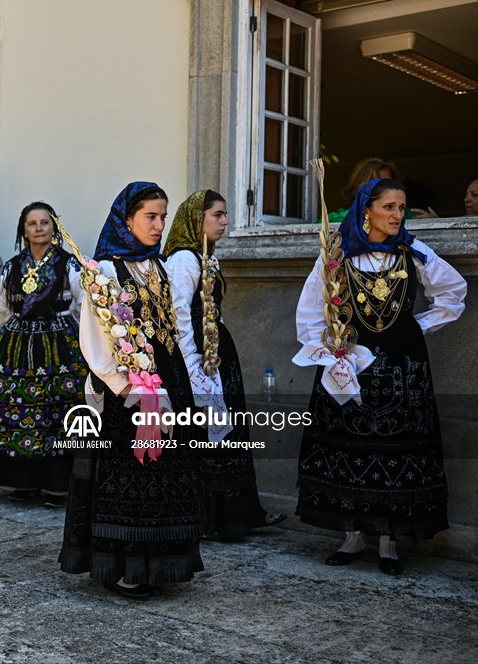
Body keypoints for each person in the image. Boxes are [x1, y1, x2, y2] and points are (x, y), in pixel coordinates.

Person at [294, 177, 466, 576]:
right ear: (366, 210)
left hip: (402, 366)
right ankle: (352, 537)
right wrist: (328, 353)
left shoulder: (413, 251)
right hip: (350, 359)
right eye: (389, 207)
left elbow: (453, 293)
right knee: (349, 443)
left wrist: (415, 327)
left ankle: (389, 542)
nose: (396, 215)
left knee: (398, 446)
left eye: (402, 208)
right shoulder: (337, 254)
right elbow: (309, 310)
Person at [59, 181, 204, 599]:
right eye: (150, 217)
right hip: (128, 392)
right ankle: (123, 567)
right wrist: (131, 390)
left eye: (162, 216)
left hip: (168, 379)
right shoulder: (104, 271)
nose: (159, 225)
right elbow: (95, 343)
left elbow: (172, 327)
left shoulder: (157, 267)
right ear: (127, 220)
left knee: (165, 474)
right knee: (129, 478)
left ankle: (158, 563)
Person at [163, 190, 285, 538]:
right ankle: (209, 519)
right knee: (204, 435)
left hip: (215, 355)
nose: (225, 221)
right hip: (200, 359)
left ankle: (234, 515)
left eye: (226, 214)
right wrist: (192, 366)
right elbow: (179, 317)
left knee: (224, 434)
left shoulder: (205, 257)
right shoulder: (184, 260)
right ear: (195, 219)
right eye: (217, 214)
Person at [0, 202, 86, 507]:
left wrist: (66, 331)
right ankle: (24, 482)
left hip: (59, 348)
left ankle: (57, 485)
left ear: (55, 227)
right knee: (19, 412)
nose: (39, 228)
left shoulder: (70, 265)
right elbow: (1, 306)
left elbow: (83, 306)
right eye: (32, 223)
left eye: (45, 222)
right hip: (17, 348)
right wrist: (20, 329)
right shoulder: (13, 267)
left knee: (56, 412)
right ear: (23, 230)